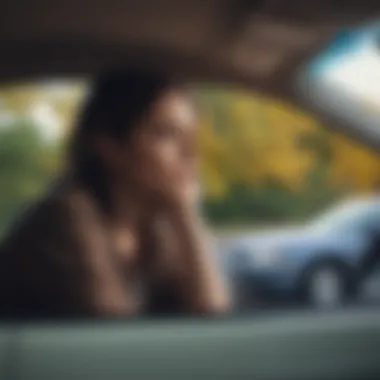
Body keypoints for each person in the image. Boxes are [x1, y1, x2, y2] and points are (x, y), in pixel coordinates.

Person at [0, 69, 230, 319]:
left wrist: (186, 215)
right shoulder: (66, 217)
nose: (190, 154)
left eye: (190, 136)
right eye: (168, 134)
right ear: (110, 148)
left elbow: (212, 315)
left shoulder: (155, 229)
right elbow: (114, 331)